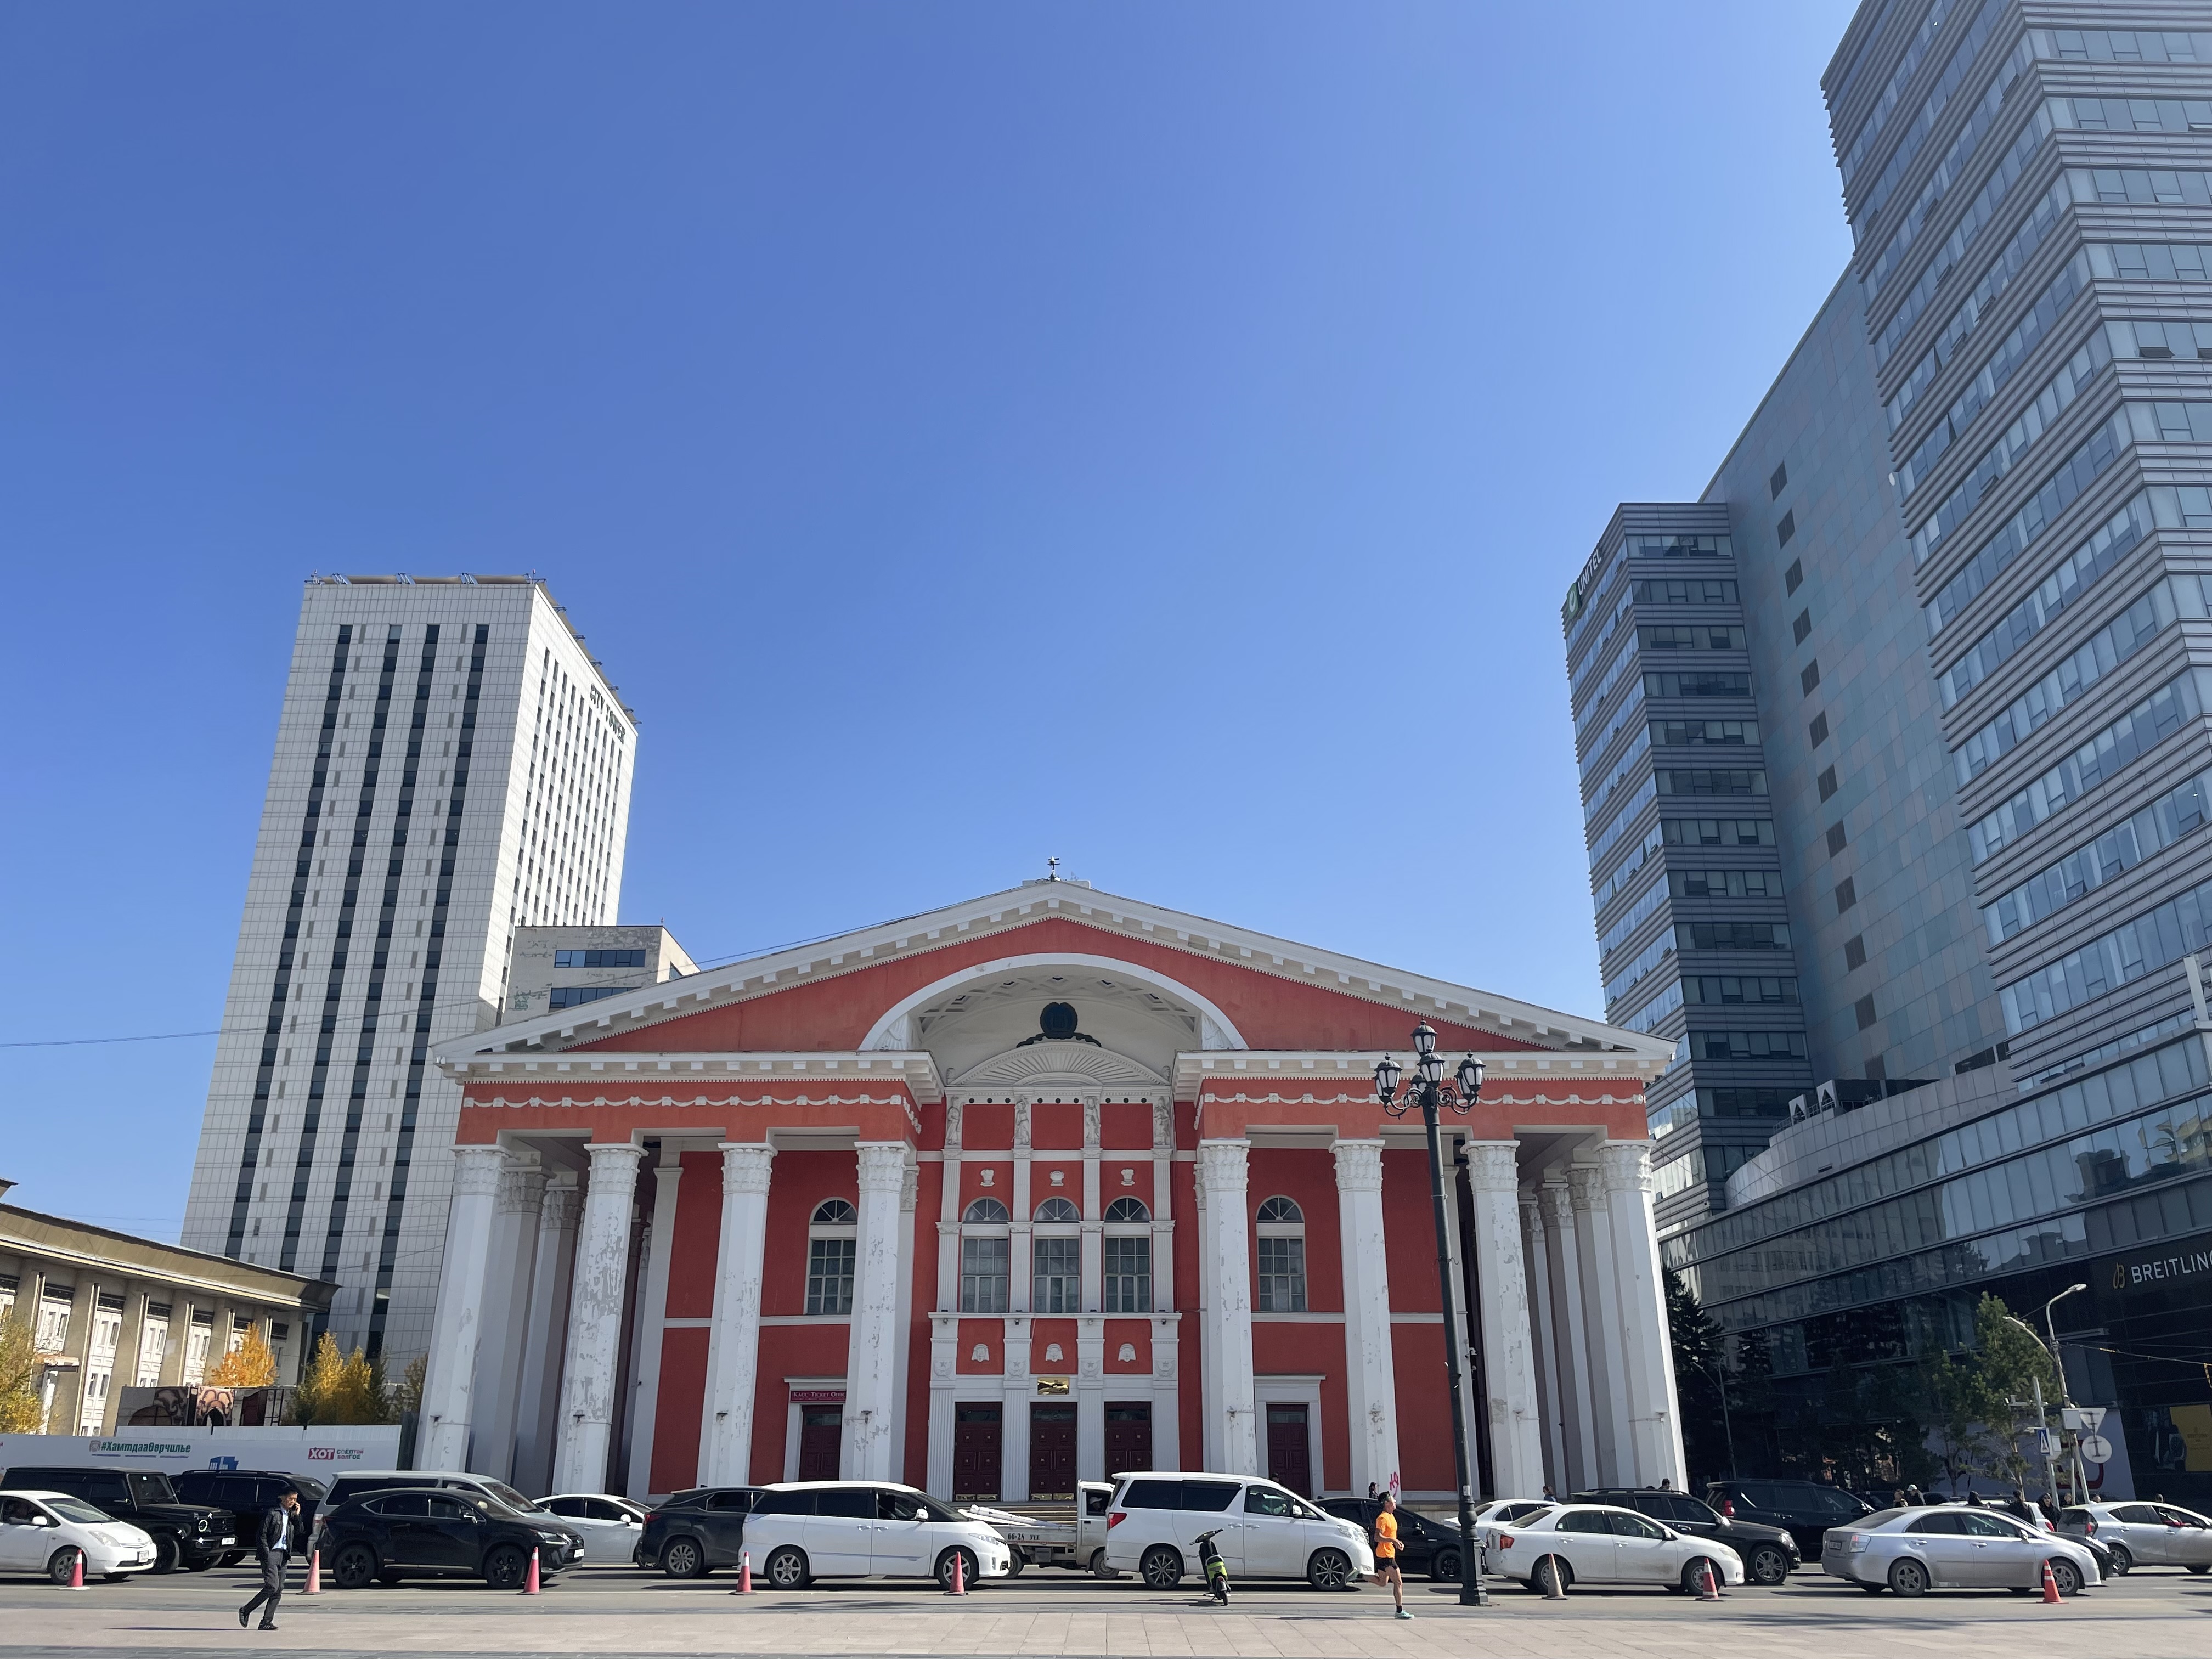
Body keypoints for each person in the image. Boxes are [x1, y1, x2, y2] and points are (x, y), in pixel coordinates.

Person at [238, 1487, 300, 1632]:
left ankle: (266, 1622)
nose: (293, 1502)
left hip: (284, 1555)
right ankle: (246, 1610)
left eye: (295, 1499)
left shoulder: (291, 1515)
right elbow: (262, 1536)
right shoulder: (272, 1514)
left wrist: (297, 1515)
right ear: (282, 1498)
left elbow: (300, 1531)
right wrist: (266, 1555)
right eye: (291, 1498)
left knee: (278, 1591)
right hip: (271, 1554)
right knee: (272, 1586)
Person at [1373, 1492, 1409, 1620]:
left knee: (1383, 1582)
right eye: (1393, 1501)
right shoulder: (1382, 1518)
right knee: (1398, 1582)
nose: (1395, 1503)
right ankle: (1399, 1611)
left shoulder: (1391, 1516)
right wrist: (1393, 1541)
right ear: (1387, 1504)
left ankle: (1360, 1575)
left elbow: (1391, 1535)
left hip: (1388, 1553)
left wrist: (1397, 1542)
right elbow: (1377, 1537)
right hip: (1385, 1555)